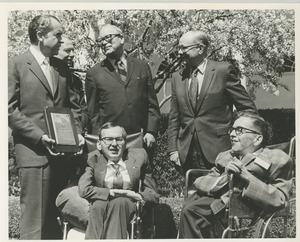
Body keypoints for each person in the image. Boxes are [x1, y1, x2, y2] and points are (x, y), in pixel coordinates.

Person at [8, 15, 84, 239]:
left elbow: (74, 107)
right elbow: (9, 110)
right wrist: (40, 136)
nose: (61, 40)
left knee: (54, 223)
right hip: (35, 156)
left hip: (63, 156)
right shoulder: (15, 64)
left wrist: (77, 133)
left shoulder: (61, 67)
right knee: (34, 224)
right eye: (57, 35)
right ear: (40, 36)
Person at [178, 111, 293, 238]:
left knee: (191, 211)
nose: (232, 134)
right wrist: (224, 177)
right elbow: (203, 181)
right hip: (216, 199)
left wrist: (247, 177)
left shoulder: (276, 159)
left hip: (240, 202)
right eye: (232, 130)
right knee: (190, 206)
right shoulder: (225, 156)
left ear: (257, 139)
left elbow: (281, 199)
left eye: (239, 130)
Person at [168, 30, 257, 175]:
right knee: (192, 195)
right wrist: (173, 150)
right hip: (187, 153)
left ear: (200, 48)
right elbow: (174, 117)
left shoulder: (223, 71)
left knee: (219, 196)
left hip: (220, 152)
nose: (179, 52)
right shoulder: (177, 77)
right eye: (179, 47)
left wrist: (243, 139)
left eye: (184, 48)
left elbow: (248, 109)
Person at [85, 23, 160, 156]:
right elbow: (93, 113)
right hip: (111, 144)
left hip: (141, 139)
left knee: (143, 176)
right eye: (100, 40)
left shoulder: (142, 66)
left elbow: (152, 104)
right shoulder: (94, 73)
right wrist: (99, 141)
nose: (104, 43)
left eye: (108, 37)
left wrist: (151, 131)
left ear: (122, 38)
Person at [78, 122, 159, 239]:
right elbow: (84, 189)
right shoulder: (93, 159)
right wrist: (110, 193)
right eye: (108, 139)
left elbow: (153, 195)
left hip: (128, 204)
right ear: (99, 144)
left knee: (119, 203)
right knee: (98, 206)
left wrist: (134, 195)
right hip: (102, 204)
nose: (114, 144)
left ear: (125, 143)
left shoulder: (140, 156)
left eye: (119, 139)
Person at [55, 35, 90, 133]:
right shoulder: (47, 77)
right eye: (67, 50)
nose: (72, 54)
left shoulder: (75, 80)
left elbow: (83, 109)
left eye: (73, 50)